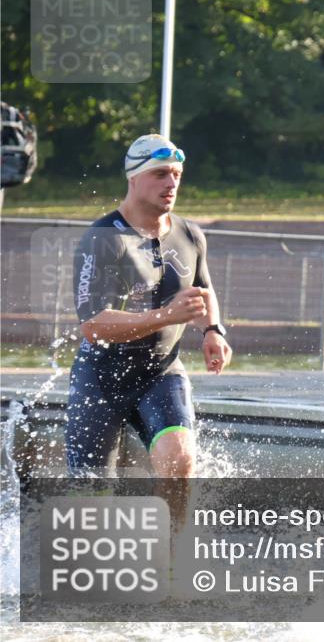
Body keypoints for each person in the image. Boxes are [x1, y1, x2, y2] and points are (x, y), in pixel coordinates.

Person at [66, 134, 232, 523]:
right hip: (101, 378)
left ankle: (170, 568)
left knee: (180, 461)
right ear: (134, 179)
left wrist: (213, 331)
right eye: (160, 174)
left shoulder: (190, 234)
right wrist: (167, 317)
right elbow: (93, 326)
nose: (171, 184)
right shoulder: (103, 239)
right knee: (91, 502)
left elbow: (203, 288)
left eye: (176, 174)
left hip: (161, 372)